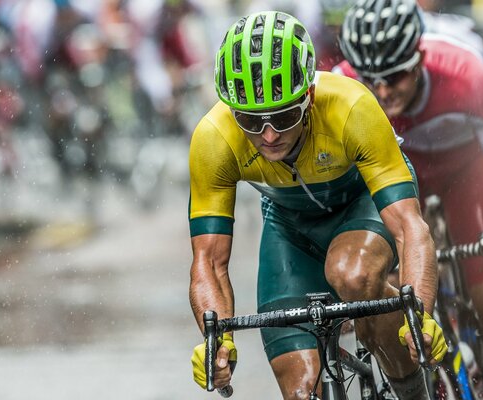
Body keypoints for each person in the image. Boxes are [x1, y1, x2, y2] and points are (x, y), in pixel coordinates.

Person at [188, 11, 447, 399]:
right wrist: (216, 341)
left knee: (352, 274)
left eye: (284, 115)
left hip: (361, 202)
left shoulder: (351, 106)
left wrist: (419, 316)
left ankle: (414, 391)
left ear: (308, 97)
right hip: (289, 226)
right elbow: (208, 262)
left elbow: (411, 229)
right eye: (250, 120)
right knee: (298, 391)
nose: (269, 134)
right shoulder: (214, 138)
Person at [334, 0, 483, 397]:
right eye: (370, 79)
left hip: (466, 169)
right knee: (391, 290)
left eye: (395, 76)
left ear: (419, 57)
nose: (382, 92)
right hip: (398, 172)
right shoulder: (341, 86)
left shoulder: (467, 76)